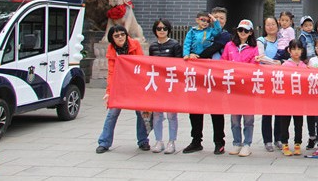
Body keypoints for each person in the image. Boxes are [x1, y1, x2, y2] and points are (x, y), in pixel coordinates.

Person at [96, 25, 150, 153]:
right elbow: (111, 72)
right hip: (120, 85)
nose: (120, 37)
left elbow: (141, 64)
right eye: (116, 36)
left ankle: (143, 141)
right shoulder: (111, 50)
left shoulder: (135, 45)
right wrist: (109, 92)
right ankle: (104, 142)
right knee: (112, 113)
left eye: (122, 34)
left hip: (136, 85)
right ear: (112, 38)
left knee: (141, 113)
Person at [182, 8, 227, 155]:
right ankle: (196, 141)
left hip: (215, 78)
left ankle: (219, 142)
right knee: (195, 109)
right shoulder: (194, 32)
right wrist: (188, 55)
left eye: (221, 18)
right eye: (215, 17)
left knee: (216, 111)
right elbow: (187, 44)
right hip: (197, 75)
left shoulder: (224, 35)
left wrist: (197, 57)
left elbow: (213, 48)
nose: (217, 20)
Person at [221, 19, 259, 156]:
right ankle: (237, 143)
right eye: (240, 30)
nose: (243, 33)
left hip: (247, 88)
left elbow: (254, 66)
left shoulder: (254, 48)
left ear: (251, 32)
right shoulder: (229, 46)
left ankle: (247, 144)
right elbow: (223, 62)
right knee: (235, 119)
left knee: (248, 119)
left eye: (246, 30)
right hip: (233, 87)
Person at [148, 19, 182, 154]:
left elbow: (179, 65)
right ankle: (158, 141)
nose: (162, 31)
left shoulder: (175, 45)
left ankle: (171, 142)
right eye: (159, 28)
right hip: (157, 84)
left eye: (164, 28)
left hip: (171, 84)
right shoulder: (152, 46)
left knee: (171, 115)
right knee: (157, 114)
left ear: (168, 30)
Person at [256, 16, 283, 151]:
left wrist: (281, 62)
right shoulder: (261, 41)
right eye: (268, 24)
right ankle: (267, 140)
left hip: (280, 79)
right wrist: (275, 63)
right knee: (267, 111)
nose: (271, 27)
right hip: (266, 78)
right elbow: (261, 57)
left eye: (273, 24)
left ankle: (278, 138)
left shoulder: (282, 40)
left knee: (279, 110)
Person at [277, 39, 307, 156]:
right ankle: (284, 143)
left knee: (298, 122)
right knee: (285, 122)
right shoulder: (285, 65)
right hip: (287, 99)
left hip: (299, 100)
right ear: (289, 51)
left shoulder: (304, 66)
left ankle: (297, 144)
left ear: (302, 50)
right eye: (294, 49)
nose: (296, 51)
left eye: (299, 49)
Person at [298, 15, 318, 149]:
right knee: (310, 108)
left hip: (317, 68)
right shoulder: (302, 38)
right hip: (307, 69)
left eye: (310, 25)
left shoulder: (316, 36)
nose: (308, 27)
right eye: (306, 25)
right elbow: (302, 51)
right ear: (301, 27)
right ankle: (312, 135)